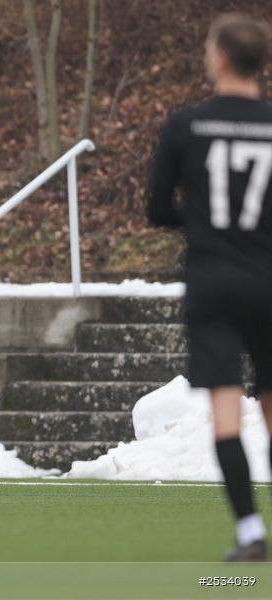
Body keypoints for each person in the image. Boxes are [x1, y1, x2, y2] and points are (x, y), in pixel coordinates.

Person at [148, 13, 272, 561]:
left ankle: (249, 530)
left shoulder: (186, 125)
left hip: (213, 284)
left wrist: (200, 223)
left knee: (227, 412)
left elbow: (155, 208)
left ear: (219, 58)